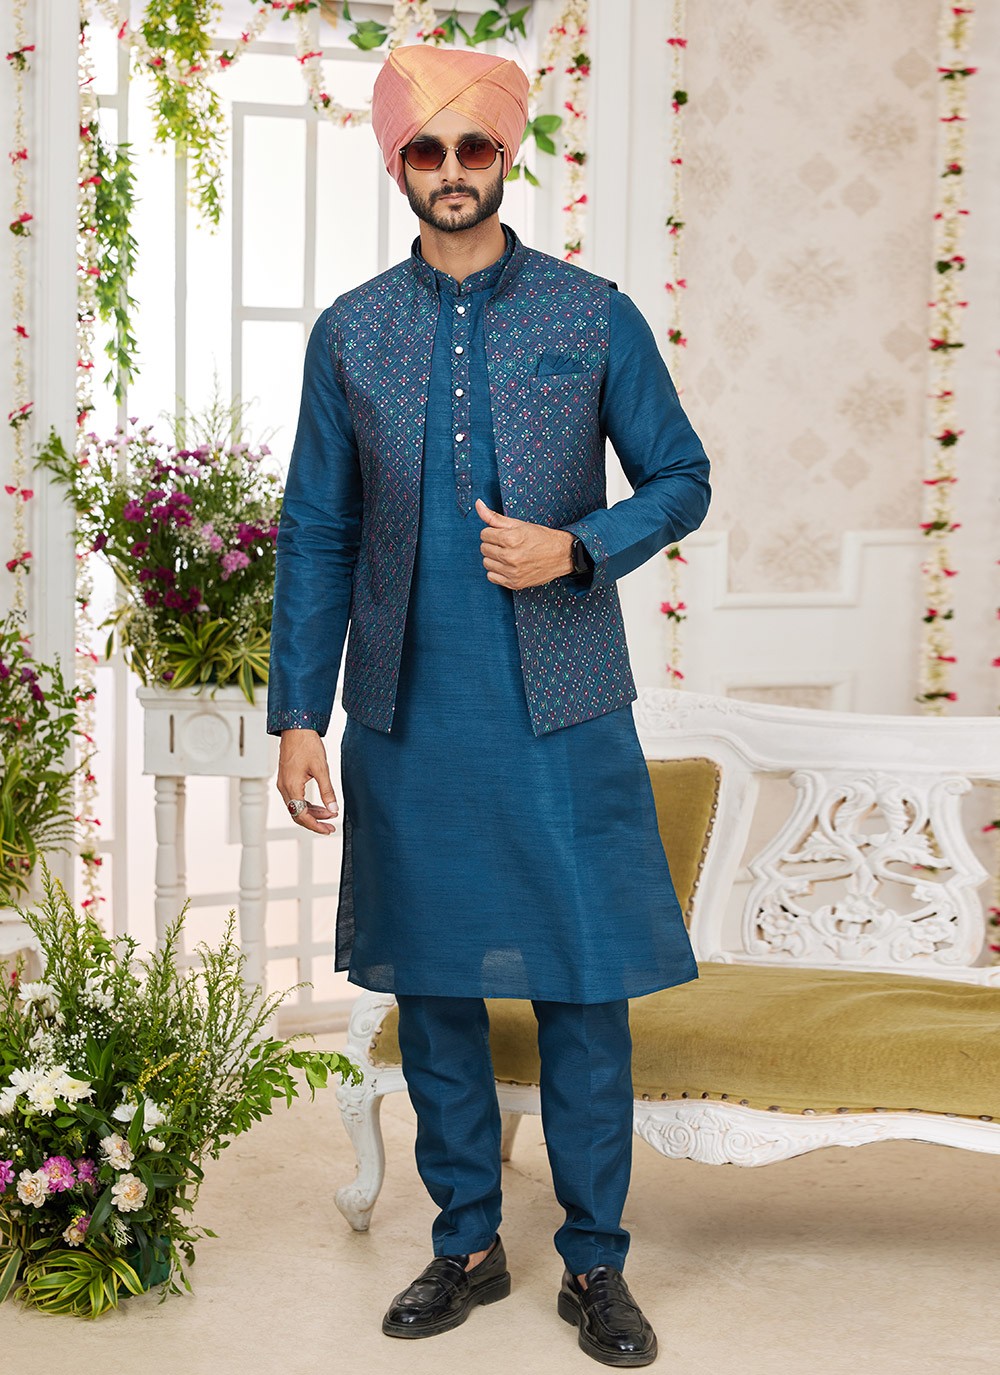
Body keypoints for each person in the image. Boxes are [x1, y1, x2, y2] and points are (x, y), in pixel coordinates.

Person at [266, 42, 711, 1368]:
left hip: (564, 707)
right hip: (408, 708)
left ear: (506, 155)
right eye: (427, 149)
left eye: (473, 147)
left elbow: (681, 478)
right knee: (437, 980)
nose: (451, 170)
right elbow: (317, 528)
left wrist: (579, 546)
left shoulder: (591, 314)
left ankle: (596, 1261)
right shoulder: (352, 333)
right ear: (397, 163)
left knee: (583, 985)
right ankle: (464, 1241)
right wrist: (300, 714)